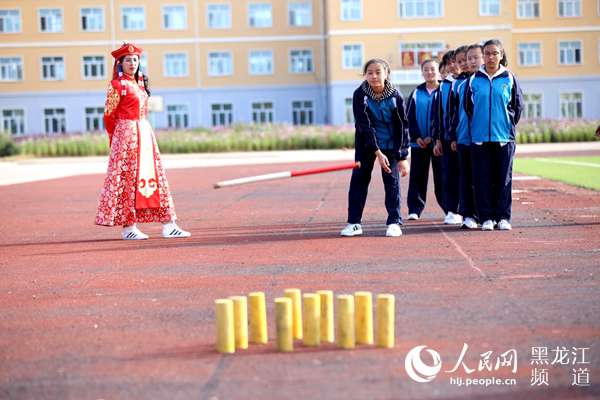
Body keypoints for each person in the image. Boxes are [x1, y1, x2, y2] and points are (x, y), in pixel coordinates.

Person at [95, 43, 191, 240]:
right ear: (120, 63)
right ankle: (129, 227)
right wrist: (116, 139)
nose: (132, 63)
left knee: (155, 177)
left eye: (135, 60)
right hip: (127, 136)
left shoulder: (139, 85)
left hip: (144, 134)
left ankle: (168, 224)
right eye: (128, 60)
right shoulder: (116, 86)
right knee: (128, 180)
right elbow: (108, 116)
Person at [340, 59, 410, 237]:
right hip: (366, 145)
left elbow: (403, 126)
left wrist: (402, 156)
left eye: (378, 72)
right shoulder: (359, 94)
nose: (374, 76)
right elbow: (364, 126)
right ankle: (354, 223)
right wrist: (377, 152)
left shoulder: (395, 96)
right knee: (359, 181)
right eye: (370, 72)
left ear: (386, 74)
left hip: (391, 145)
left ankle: (394, 222)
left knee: (392, 182)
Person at [464, 39, 524, 231]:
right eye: (487, 53)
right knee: (482, 178)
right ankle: (486, 218)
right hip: (479, 138)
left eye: (494, 53)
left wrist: (506, 124)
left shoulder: (509, 78)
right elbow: (468, 107)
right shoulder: (474, 79)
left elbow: (518, 106)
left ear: (501, 55)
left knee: (503, 179)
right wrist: (479, 124)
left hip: (504, 138)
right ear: (483, 55)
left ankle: (503, 217)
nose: (490, 57)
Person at [449, 44, 484, 229]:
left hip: (484, 138)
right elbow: (453, 113)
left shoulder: (486, 81)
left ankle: (486, 214)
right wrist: (453, 135)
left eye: (472, 58)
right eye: (464, 60)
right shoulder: (459, 85)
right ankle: (468, 215)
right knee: (466, 178)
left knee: (484, 178)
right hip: (463, 138)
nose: (469, 62)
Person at [405, 59, 445, 221]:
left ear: (439, 71)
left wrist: (435, 138)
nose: (430, 72)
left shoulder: (444, 90)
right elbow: (409, 117)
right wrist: (417, 137)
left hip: (438, 143)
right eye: (426, 69)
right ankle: (414, 209)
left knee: (442, 177)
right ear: (422, 73)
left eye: (433, 69)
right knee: (417, 177)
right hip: (418, 143)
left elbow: (444, 117)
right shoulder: (416, 92)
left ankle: (449, 209)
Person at [434, 47, 469, 225]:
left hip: (466, 136)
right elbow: (439, 114)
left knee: (467, 174)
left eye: (458, 61)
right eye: (451, 63)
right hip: (448, 138)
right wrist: (438, 138)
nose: (455, 65)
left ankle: (469, 210)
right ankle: (452, 210)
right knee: (450, 174)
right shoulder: (444, 86)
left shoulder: (469, 81)